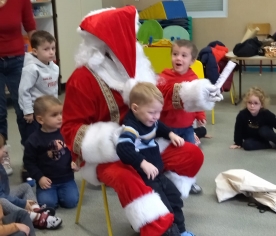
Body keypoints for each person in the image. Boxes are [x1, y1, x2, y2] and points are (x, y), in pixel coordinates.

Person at [61, 6, 222, 236]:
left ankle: (164, 206)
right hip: (108, 155)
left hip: (145, 143)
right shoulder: (82, 79)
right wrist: (113, 141)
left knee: (191, 154)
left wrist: (198, 93)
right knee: (128, 178)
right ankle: (159, 227)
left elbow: (157, 95)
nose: (133, 39)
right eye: (129, 33)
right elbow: (70, 129)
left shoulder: (135, 64)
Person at [117, 82, 194, 236]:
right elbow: (123, 148)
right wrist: (142, 162)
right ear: (135, 108)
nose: (156, 117)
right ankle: (172, 233)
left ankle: (181, 230)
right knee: (163, 207)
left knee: (174, 198)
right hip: (145, 179)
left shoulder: (149, 120)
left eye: (159, 112)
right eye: (152, 112)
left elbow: (159, 126)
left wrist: (171, 134)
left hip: (157, 174)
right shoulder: (131, 127)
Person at [157, 39, 210, 194]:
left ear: (192, 60)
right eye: (175, 54)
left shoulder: (194, 79)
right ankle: (164, 180)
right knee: (166, 155)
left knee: (190, 155)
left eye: (184, 55)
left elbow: (198, 100)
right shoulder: (164, 76)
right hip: (166, 127)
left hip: (187, 127)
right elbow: (159, 97)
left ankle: (189, 181)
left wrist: (200, 115)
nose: (178, 58)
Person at [0, 0, 36, 176]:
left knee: (24, 110)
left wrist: (41, 57)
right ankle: (2, 156)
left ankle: (29, 158)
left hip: (17, 61)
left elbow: (30, 27)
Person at [23, 96, 79, 209]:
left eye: (61, 114)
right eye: (54, 115)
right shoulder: (33, 140)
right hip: (47, 181)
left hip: (66, 178)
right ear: (40, 120)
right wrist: (39, 178)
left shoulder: (66, 132)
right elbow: (29, 162)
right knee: (48, 204)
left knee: (71, 202)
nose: (60, 118)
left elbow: (74, 149)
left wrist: (75, 161)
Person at [0, 134, 62, 230]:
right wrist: (23, 203)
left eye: (3, 146)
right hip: (2, 203)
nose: (4, 150)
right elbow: (2, 196)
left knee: (25, 187)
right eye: (0, 148)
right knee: (2, 201)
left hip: (5, 195)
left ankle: (35, 210)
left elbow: (4, 192)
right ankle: (35, 217)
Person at [18, 30, 59, 143]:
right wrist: (28, 111)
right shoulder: (31, 69)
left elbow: (53, 89)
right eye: (46, 49)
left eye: (53, 48)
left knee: (49, 135)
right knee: (34, 138)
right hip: (34, 112)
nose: (51, 52)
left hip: (48, 109)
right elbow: (23, 91)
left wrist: (55, 106)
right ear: (35, 51)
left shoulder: (54, 67)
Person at [230, 87, 276, 153]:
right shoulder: (242, 115)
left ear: (261, 105)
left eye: (256, 103)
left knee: (264, 130)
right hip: (253, 139)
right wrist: (238, 143)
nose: (252, 106)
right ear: (246, 103)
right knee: (246, 145)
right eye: (249, 103)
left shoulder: (266, 114)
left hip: (266, 136)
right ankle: (272, 144)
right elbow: (238, 129)